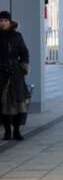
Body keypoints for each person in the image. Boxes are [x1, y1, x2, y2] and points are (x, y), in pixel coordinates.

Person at [0, 11, 30, 141]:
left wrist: (23, 67)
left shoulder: (17, 36)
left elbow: (24, 52)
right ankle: (7, 131)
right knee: (3, 104)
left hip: (16, 74)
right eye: (1, 21)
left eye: (5, 21)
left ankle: (17, 131)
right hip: (1, 74)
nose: (3, 23)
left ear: (10, 22)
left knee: (19, 104)